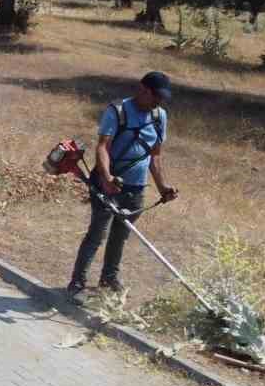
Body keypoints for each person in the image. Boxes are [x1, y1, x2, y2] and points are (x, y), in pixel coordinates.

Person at [67, 71, 180, 298]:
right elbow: (103, 147)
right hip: (108, 184)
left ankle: (108, 279)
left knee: (121, 234)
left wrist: (163, 187)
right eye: (155, 96)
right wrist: (107, 178)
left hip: (136, 188)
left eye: (161, 98)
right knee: (97, 233)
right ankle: (77, 282)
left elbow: (155, 156)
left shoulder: (160, 116)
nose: (158, 101)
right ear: (142, 89)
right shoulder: (117, 111)